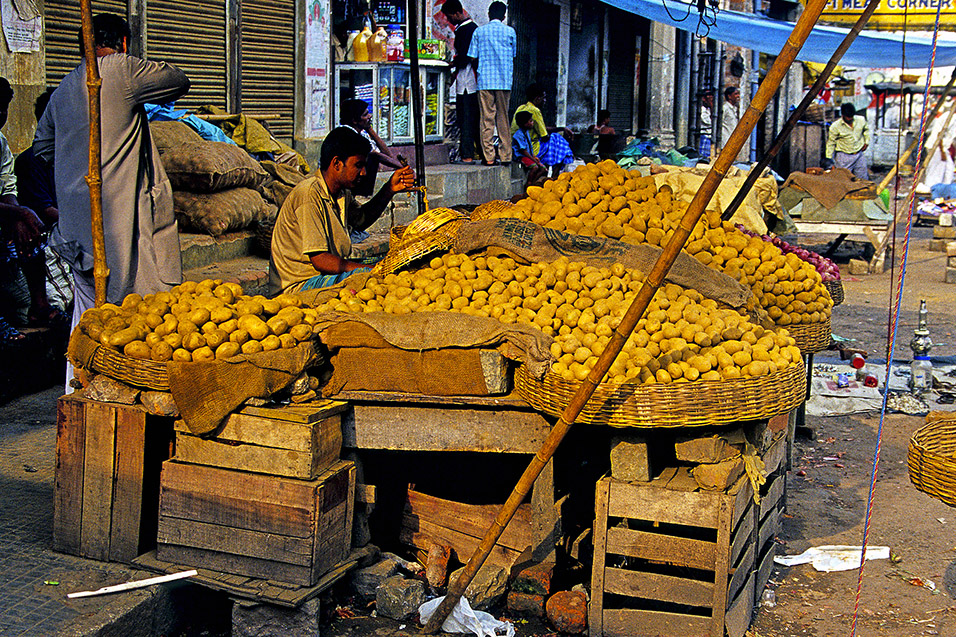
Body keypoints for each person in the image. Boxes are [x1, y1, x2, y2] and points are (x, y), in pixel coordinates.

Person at [34, 13, 189, 387]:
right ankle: (129, 396)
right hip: (120, 227)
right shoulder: (119, 69)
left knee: (87, 320)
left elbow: (41, 147)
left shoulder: (65, 88)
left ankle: (80, 392)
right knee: (140, 320)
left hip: (77, 228)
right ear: (122, 43)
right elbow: (177, 79)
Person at [269, 127, 416, 294]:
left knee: (390, 262)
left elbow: (361, 219)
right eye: (358, 165)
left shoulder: (341, 193)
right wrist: (371, 269)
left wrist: (389, 189)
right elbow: (321, 260)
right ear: (337, 164)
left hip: (322, 276)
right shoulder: (309, 194)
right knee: (370, 275)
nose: (364, 172)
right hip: (299, 286)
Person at [0, 79, 59, 344]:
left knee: (28, 231)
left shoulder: (0, 143)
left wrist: (18, 214)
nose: (1, 116)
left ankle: (39, 306)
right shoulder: (35, 158)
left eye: (4, 109)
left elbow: (6, 185)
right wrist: (20, 213)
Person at [468, 1, 516, 166]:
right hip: (503, 81)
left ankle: (489, 157)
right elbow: (513, 54)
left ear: (489, 14)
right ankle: (506, 156)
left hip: (485, 81)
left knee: (486, 119)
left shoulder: (479, 32)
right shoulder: (510, 32)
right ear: (503, 16)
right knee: (503, 119)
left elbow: (472, 56)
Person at [441, 0, 481, 164]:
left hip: (468, 81)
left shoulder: (467, 30)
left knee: (467, 119)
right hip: (465, 80)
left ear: (458, 13)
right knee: (469, 118)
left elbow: (465, 58)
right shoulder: (469, 29)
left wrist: (452, 64)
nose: (448, 20)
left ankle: (467, 155)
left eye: (449, 16)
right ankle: (473, 153)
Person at [339, 98, 401, 197]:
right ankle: (359, 194)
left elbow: (388, 155)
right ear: (355, 120)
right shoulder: (346, 133)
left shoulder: (363, 133)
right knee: (371, 158)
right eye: (365, 115)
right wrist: (401, 166)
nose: (370, 116)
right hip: (343, 183)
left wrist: (370, 130)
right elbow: (376, 155)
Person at [509, 83, 574, 176]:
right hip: (529, 148)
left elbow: (541, 128)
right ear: (537, 98)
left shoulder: (521, 107)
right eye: (543, 98)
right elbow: (544, 136)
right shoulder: (535, 111)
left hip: (516, 147)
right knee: (557, 140)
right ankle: (554, 177)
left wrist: (562, 128)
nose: (545, 101)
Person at [825, 103, 870, 180]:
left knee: (863, 179)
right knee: (842, 180)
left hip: (859, 154)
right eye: (848, 117)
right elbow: (831, 143)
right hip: (843, 157)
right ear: (842, 115)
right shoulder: (835, 126)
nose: (850, 119)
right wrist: (830, 161)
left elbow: (866, 130)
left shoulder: (861, 120)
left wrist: (866, 142)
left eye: (851, 117)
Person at [512, 111, 548, 188]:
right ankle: (528, 183)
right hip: (521, 156)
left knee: (544, 169)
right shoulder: (518, 135)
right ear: (524, 124)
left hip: (528, 155)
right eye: (530, 121)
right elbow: (523, 151)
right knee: (535, 167)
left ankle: (533, 183)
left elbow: (530, 148)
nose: (532, 123)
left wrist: (534, 157)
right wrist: (534, 160)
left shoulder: (527, 132)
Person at [719, 86, 749, 163]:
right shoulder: (725, 108)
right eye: (735, 94)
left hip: (732, 142)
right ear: (729, 96)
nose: (738, 96)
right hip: (725, 141)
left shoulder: (733, 109)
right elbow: (719, 123)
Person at [699, 90, 714, 158]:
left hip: (708, 136)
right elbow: (708, 122)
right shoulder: (702, 110)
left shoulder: (708, 109)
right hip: (704, 135)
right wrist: (711, 106)